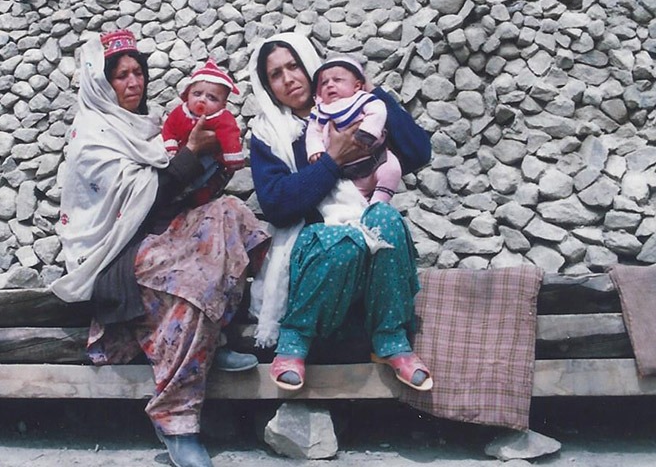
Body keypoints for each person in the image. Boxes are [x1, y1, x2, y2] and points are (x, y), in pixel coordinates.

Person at [50, 29, 270, 467]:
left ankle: (212, 335)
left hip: (160, 235)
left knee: (231, 214)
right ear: (101, 83)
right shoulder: (94, 136)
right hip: (117, 255)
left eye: (138, 73)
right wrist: (189, 155)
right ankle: (176, 420)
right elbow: (144, 199)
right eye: (121, 76)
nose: (134, 83)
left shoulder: (147, 128)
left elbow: (178, 194)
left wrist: (210, 161)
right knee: (189, 285)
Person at [247, 32, 433, 393]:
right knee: (343, 240)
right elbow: (277, 205)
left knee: (387, 221)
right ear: (268, 87)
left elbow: (417, 152)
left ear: (311, 68)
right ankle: (294, 340)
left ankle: (392, 342)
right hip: (314, 257)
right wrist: (333, 161)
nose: (288, 79)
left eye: (294, 66)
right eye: (275, 74)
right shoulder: (269, 133)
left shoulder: (360, 110)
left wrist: (372, 95)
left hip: (370, 255)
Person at [307, 56, 402, 204]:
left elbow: (378, 111)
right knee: (346, 195)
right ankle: (361, 209)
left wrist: (367, 132)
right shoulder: (321, 111)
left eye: (337, 80)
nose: (330, 85)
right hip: (347, 171)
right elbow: (313, 131)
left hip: (376, 158)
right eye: (324, 83)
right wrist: (315, 149)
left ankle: (378, 204)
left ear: (357, 86)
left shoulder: (362, 99)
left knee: (392, 169)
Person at [162, 58, 245, 206]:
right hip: (182, 156)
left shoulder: (223, 118)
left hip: (211, 159)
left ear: (222, 105)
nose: (202, 100)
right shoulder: (180, 112)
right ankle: (178, 193)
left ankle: (199, 193)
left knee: (209, 172)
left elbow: (230, 136)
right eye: (197, 93)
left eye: (212, 98)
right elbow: (169, 127)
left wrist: (233, 158)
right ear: (187, 94)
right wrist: (171, 145)